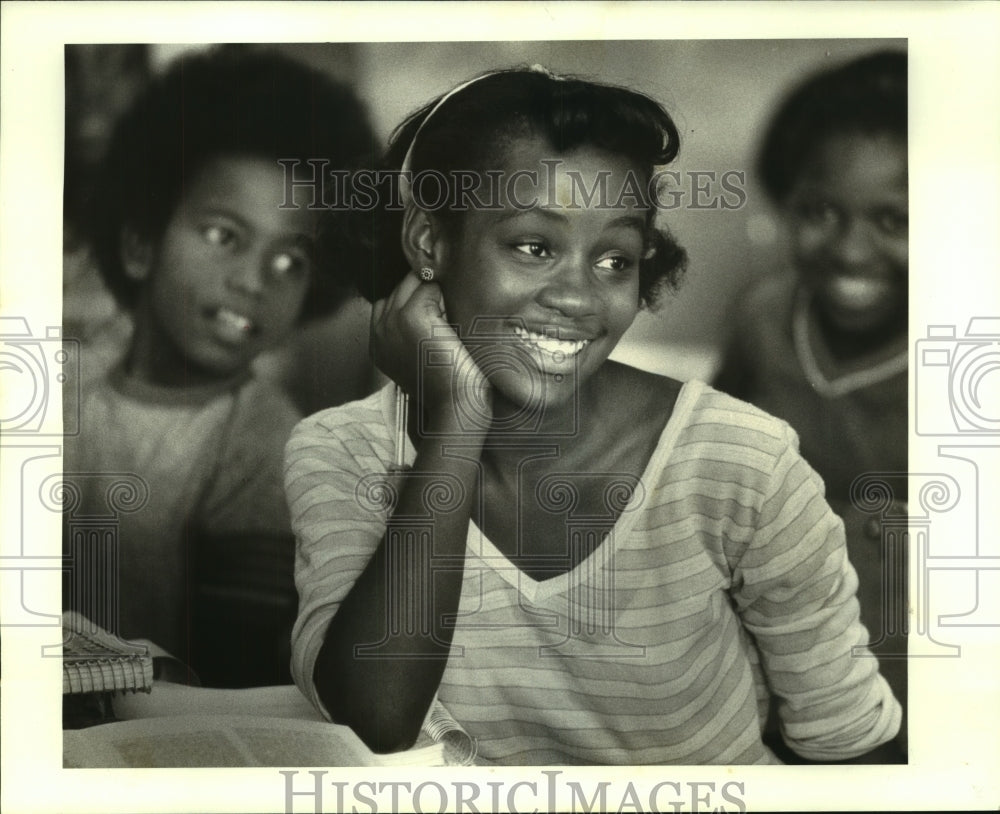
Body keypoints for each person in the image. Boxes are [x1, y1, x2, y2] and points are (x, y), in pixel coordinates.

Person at [286, 66, 902, 764]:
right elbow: (375, 723)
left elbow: (847, 744)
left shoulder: (743, 462)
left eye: (615, 258)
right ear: (430, 242)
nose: (580, 297)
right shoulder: (339, 450)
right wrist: (456, 421)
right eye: (534, 246)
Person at [63, 45, 374, 687]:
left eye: (291, 261)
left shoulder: (268, 446)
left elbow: (234, 672)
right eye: (224, 236)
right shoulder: (60, 384)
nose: (255, 281)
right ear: (141, 243)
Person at [713, 50, 909, 747]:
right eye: (822, 211)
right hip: (775, 652)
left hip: (912, 668)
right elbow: (710, 457)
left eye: (894, 220)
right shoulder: (764, 317)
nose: (851, 250)